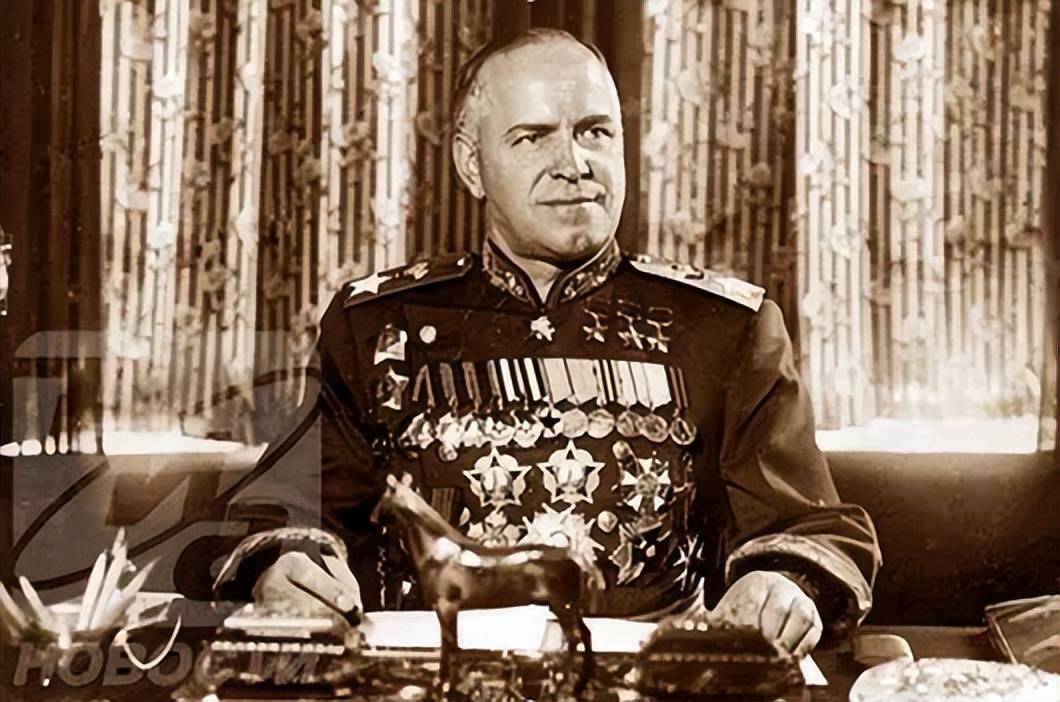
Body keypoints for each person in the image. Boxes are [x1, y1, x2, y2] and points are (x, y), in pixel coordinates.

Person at [221, 28, 881, 658]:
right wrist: (288, 565)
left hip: (645, 681)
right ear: (472, 165)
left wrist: (783, 583)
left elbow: (810, 527)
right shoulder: (375, 325)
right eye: (533, 138)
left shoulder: (724, 327)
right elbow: (288, 505)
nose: (574, 165)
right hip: (431, 676)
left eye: (595, 132)